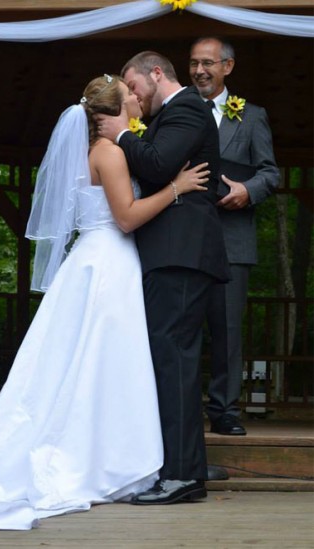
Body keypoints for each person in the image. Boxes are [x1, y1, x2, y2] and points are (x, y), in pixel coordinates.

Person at [0, 74, 210, 531]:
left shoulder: (98, 151)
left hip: (95, 261)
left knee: (95, 364)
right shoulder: (109, 153)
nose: (138, 96)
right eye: (130, 94)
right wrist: (177, 189)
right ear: (113, 110)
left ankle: (116, 454)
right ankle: (105, 459)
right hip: (108, 262)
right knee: (102, 362)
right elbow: (126, 218)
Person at [97, 51, 231, 505]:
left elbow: (155, 166)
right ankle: (184, 463)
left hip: (181, 253)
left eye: (134, 86)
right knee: (172, 362)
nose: (132, 96)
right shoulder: (167, 119)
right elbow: (157, 167)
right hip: (172, 254)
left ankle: (182, 476)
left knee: (174, 360)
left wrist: (120, 134)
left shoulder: (189, 106)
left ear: (157, 74)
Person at [189, 37, 280, 437]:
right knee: (183, 326)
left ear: (227, 66)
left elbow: (270, 173)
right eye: (193, 63)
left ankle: (224, 409)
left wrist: (247, 191)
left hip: (233, 240)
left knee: (227, 329)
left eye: (207, 63)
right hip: (186, 237)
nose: (199, 71)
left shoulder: (253, 116)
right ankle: (180, 407)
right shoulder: (179, 110)